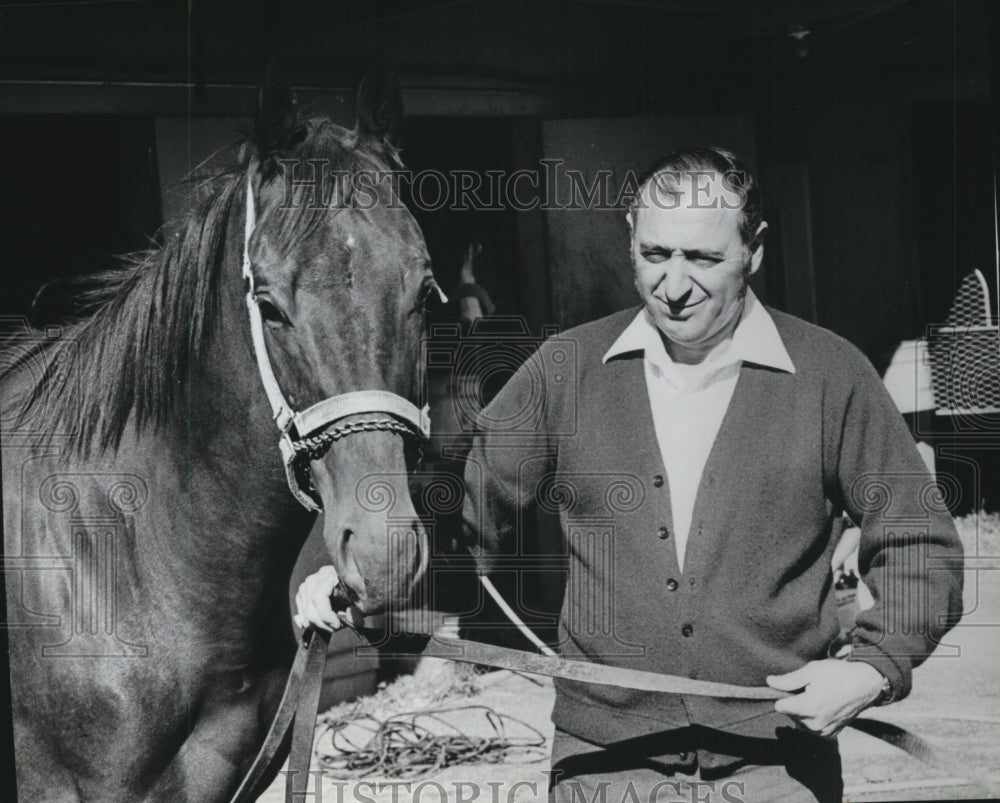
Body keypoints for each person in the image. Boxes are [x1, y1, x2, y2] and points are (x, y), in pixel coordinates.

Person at [295, 147, 965, 802]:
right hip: (604, 767)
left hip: (777, 767)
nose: (674, 287)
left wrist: (875, 667)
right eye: (655, 255)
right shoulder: (566, 371)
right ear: (630, 239)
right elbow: (456, 509)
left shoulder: (832, 376)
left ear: (754, 249)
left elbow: (920, 540)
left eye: (703, 258)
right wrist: (355, 576)